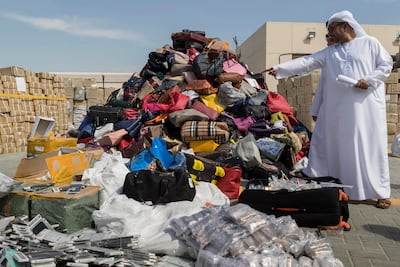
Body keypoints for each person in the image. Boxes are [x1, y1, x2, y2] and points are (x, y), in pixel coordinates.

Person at [266, 10, 393, 209]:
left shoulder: (370, 43)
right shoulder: (331, 52)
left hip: (366, 110)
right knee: (342, 149)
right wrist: (280, 69)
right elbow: (307, 61)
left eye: (332, 28)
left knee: (370, 149)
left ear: (346, 26)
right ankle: (346, 189)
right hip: (339, 112)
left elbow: (386, 64)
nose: (330, 33)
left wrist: (369, 80)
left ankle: (380, 192)